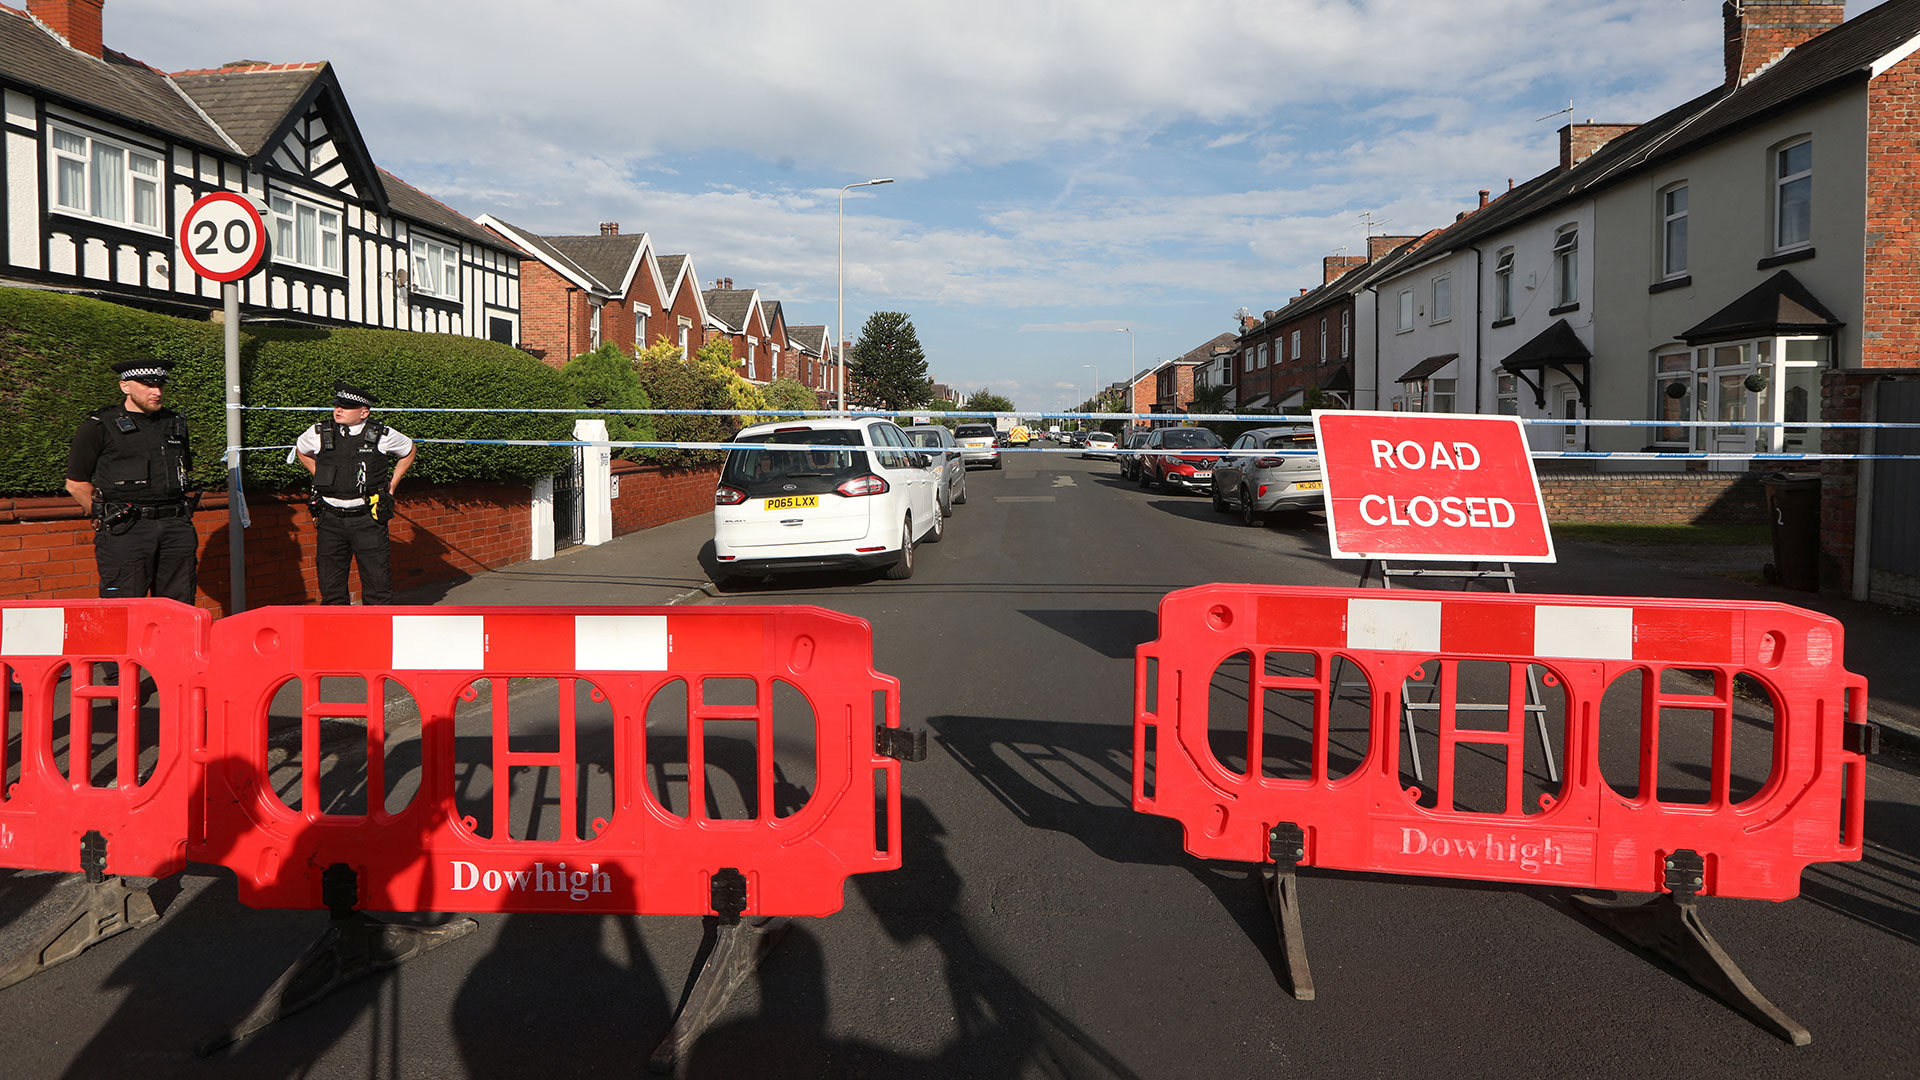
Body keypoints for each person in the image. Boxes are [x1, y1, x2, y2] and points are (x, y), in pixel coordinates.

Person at [64, 358, 198, 604]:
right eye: (147, 385)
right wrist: (104, 515)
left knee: (179, 607)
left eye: (160, 385)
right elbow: (75, 483)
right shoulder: (100, 425)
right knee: (124, 608)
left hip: (176, 528)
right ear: (125, 386)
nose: (156, 392)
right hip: (127, 530)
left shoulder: (175, 424)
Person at [294, 381, 416, 605]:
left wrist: (392, 485)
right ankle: (337, 635)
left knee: (377, 585)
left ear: (364, 413)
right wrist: (321, 475)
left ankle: (376, 635)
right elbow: (301, 450)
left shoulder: (381, 434)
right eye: (337, 405)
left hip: (367, 519)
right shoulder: (319, 432)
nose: (338, 410)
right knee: (330, 586)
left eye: (346, 407)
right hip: (330, 518)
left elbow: (408, 450)